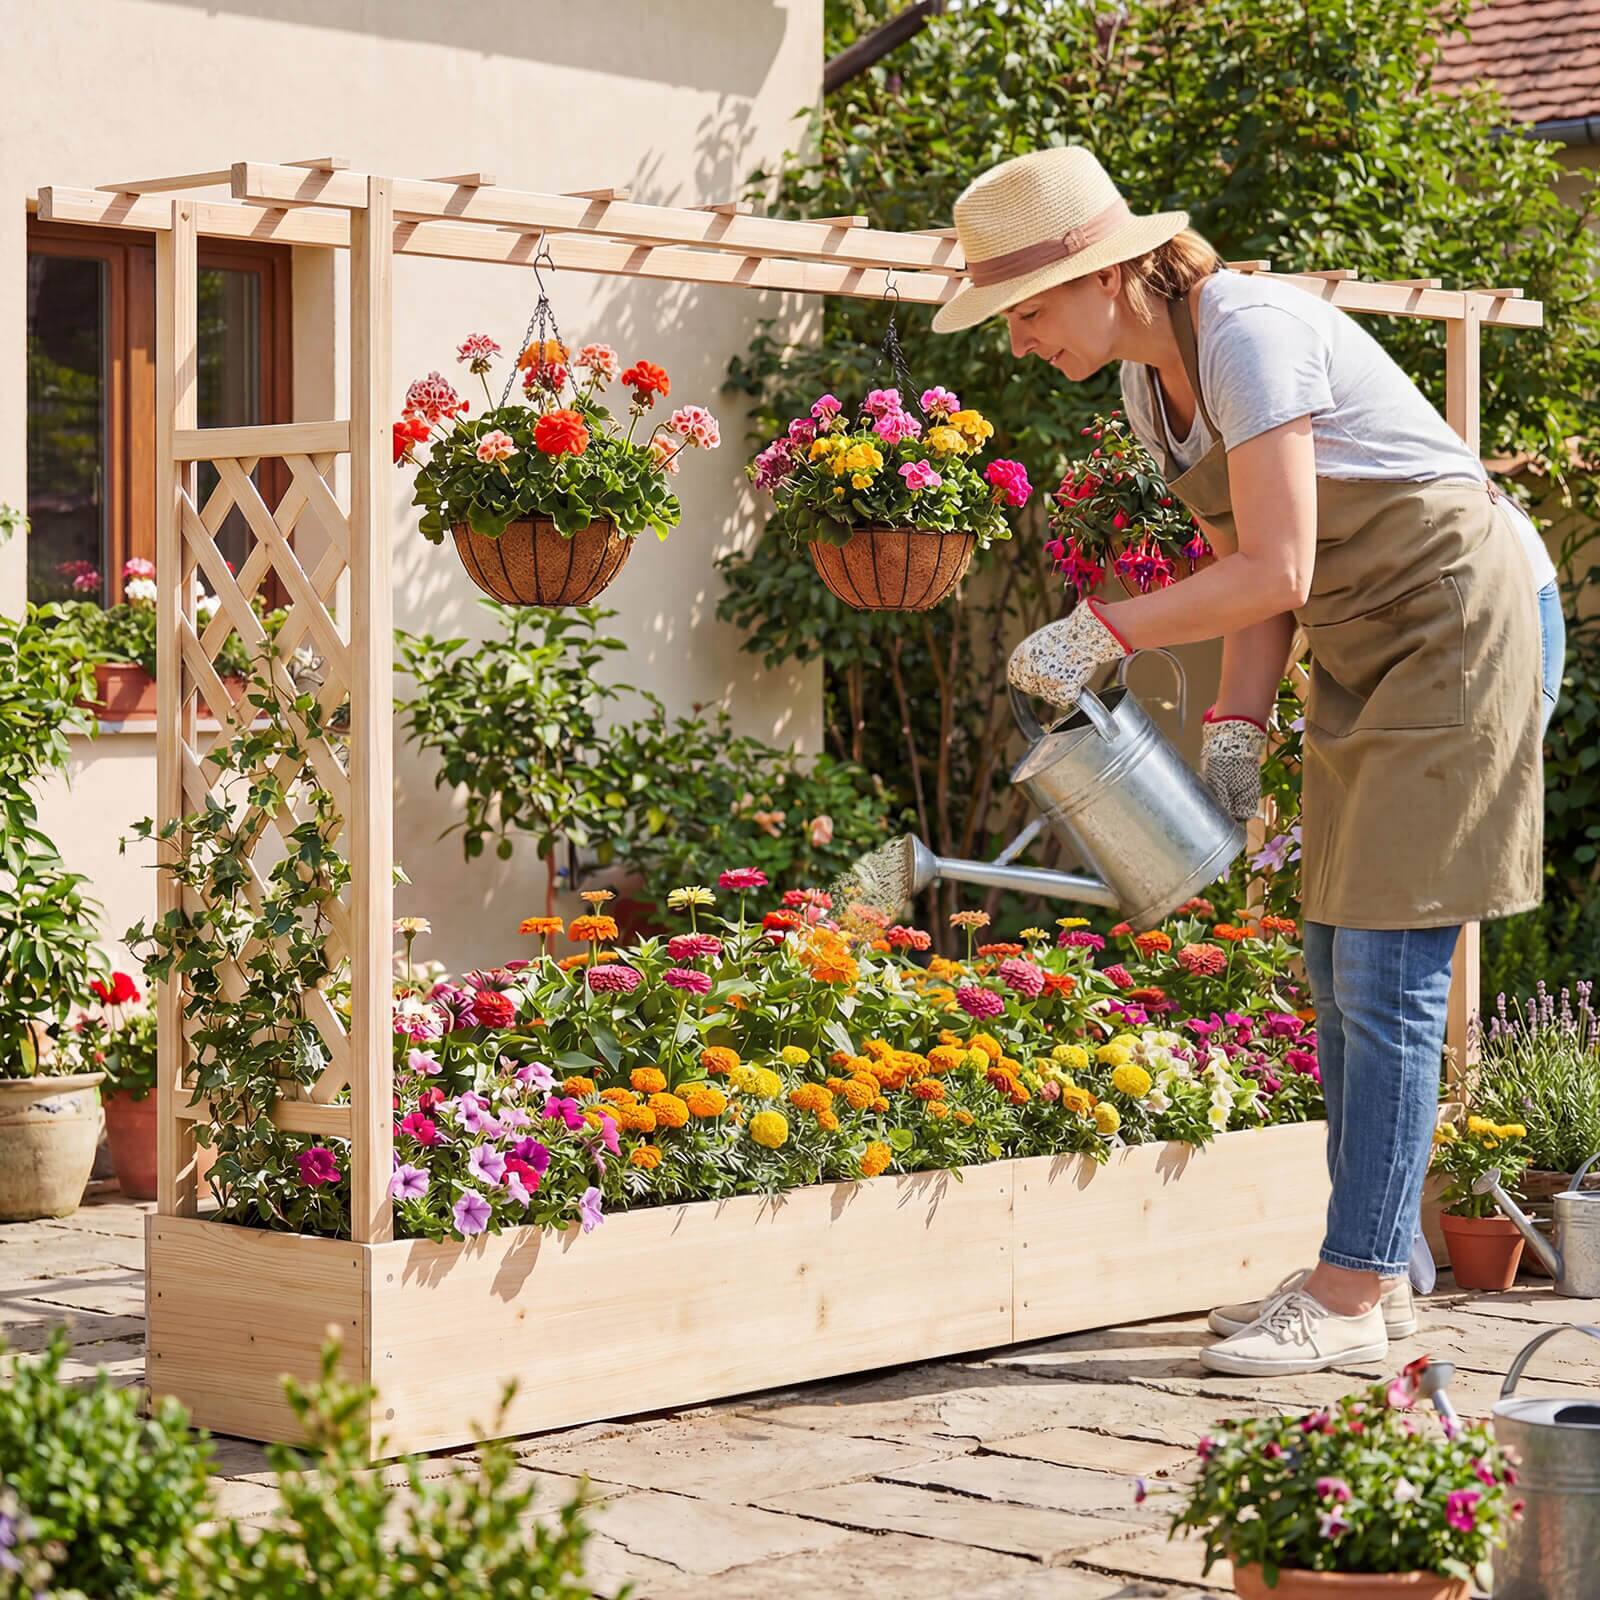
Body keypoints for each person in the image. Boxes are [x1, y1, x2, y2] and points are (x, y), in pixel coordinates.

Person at [933, 145, 1562, 1377]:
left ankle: (1345, 1288)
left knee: (1387, 968)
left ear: (1102, 274)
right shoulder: (1148, 387)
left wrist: (1100, 628)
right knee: (1334, 960)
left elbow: (1278, 564)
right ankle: (1373, 1275)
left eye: (1024, 309)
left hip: (1460, 620)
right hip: (1365, 643)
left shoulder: (1249, 332)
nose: (1017, 340)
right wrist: (1236, 729)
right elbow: (1255, 576)